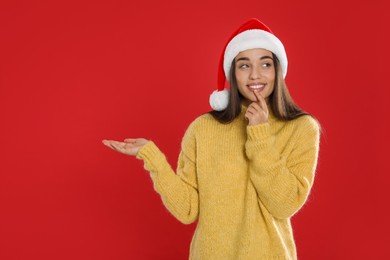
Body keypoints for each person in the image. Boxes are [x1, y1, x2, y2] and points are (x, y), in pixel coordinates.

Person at [102, 18, 320, 260]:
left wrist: (260, 134)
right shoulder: (203, 128)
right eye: (244, 65)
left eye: (265, 64)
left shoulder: (301, 128)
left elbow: (284, 204)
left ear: (277, 70)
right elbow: (187, 209)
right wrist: (152, 158)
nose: (255, 75)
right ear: (233, 73)